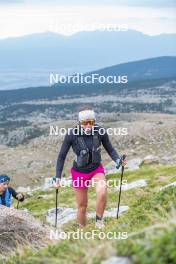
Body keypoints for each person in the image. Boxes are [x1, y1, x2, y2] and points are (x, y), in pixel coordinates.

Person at [55, 107, 127, 228]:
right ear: (79, 122)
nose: (88, 125)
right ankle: (83, 231)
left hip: (96, 170)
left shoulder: (100, 131)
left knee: (102, 192)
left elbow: (110, 149)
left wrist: (118, 160)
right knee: (82, 206)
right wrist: (57, 178)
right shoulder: (71, 135)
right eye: (85, 123)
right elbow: (61, 156)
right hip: (79, 173)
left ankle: (99, 221)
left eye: (91, 122)